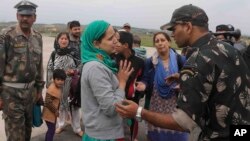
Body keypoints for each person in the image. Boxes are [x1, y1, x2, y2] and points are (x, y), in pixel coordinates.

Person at [115, 4, 250, 141]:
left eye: (174, 28)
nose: (172, 34)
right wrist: (182, 77)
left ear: (188, 27)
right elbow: (224, 77)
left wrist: (139, 111)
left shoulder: (197, 59)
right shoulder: (227, 48)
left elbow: (184, 122)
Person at [80, 20, 133, 141]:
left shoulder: (103, 62)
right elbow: (111, 108)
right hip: (103, 136)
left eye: (115, 35)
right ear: (96, 44)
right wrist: (122, 83)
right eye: (110, 39)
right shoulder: (95, 67)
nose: (116, 40)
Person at [0, 0, 45, 140]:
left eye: (28, 15)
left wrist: (39, 90)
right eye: (22, 15)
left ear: (34, 18)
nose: (24, 18)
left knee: (27, 133)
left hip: (30, 94)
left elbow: (39, 66)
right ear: (17, 16)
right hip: (11, 94)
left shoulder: (37, 37)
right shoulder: (6, 35)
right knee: (15, 136)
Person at [135, 31, 187, 141]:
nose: (160, 43)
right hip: (155, 106)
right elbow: (145, 79)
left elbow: (188, 79)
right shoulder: (150, 62)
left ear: (169, 42)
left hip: (175, 105)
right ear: (154, 45)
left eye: (163, 40)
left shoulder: (180, 60)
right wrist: (143, 85)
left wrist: (181, 85)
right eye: (157, 41)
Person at [46, 32, 83, 137]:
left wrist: (74, 71)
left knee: (74, 106)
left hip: (72, 84)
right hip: (59, 85)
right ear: (58, 40)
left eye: (66, 39)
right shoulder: (54, 54)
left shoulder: (74, 53)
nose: (64, 40)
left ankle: (77, 128)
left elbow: (80, 65)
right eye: (61, 38)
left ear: (68, 40)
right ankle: (61, 125)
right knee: (61, 105)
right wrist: (50, 83)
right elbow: (49, 68)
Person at [113, 31, 145, 140]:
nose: (114, 43)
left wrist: (139, 92)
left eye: (117, 41)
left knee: (130, 129)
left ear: (126, 45)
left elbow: (142, 81)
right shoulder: (113, 59)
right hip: (116, 99)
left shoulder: (140, 62)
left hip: (132, 101)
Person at [42, 69, 67, 141]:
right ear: (54, 79)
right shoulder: (52, 89)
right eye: (58, 79)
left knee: (51, 129)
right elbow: (47, 102)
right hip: (49, 113)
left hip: (52, 114)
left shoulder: (56, 86)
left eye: (62, 80)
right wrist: (55, 110)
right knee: (51, 130)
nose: (60, 81)